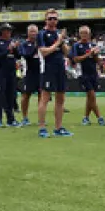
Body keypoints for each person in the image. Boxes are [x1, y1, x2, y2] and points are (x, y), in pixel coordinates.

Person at [36, 9, 72, 138]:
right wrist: (58, 41)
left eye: (55, 18)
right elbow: (44, 52)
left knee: (61, 98)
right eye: (50, 18)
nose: (52, 21)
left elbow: (67, 53)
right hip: (48, 68)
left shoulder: (58, 34)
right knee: (45, 98)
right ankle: (42, 128)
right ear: (45, 20)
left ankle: (58, 127)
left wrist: (62, 41)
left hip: (60, 68)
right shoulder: (42, 34)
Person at [70, 25, 105, 126]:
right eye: (82, 33)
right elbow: (76, 59)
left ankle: (85, 118)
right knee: (92, 95)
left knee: (90, 97)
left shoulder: (92, 45)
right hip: (83, 73)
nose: (84, 35)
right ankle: (100, 117)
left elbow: (98, 62)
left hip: (93, 73)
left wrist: (95, 55)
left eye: (86, 33)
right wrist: (88, 54)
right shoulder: (76, 46)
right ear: (79, 34)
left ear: (89, 34)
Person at [0, 22, 21, 127]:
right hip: (1, 73)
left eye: (10, 30)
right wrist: (8, 50)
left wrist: (15, 48)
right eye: (6, 30)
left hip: (12, 73)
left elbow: (18, 56)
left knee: (10, 96)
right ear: (2, 31)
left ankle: (10, 119)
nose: (8, 32)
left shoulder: (12, 42)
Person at [18, 25, 40, 126]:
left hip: (41, 72)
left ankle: (41, 118)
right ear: (28, 33)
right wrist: (35, 47)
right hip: (29, 73)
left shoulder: (41, 43)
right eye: (31, 32)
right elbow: (27, 55)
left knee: (42, 96)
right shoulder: (24, 44)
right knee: (26, 95)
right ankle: (25, 117)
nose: (33, 34)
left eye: (35, 32)